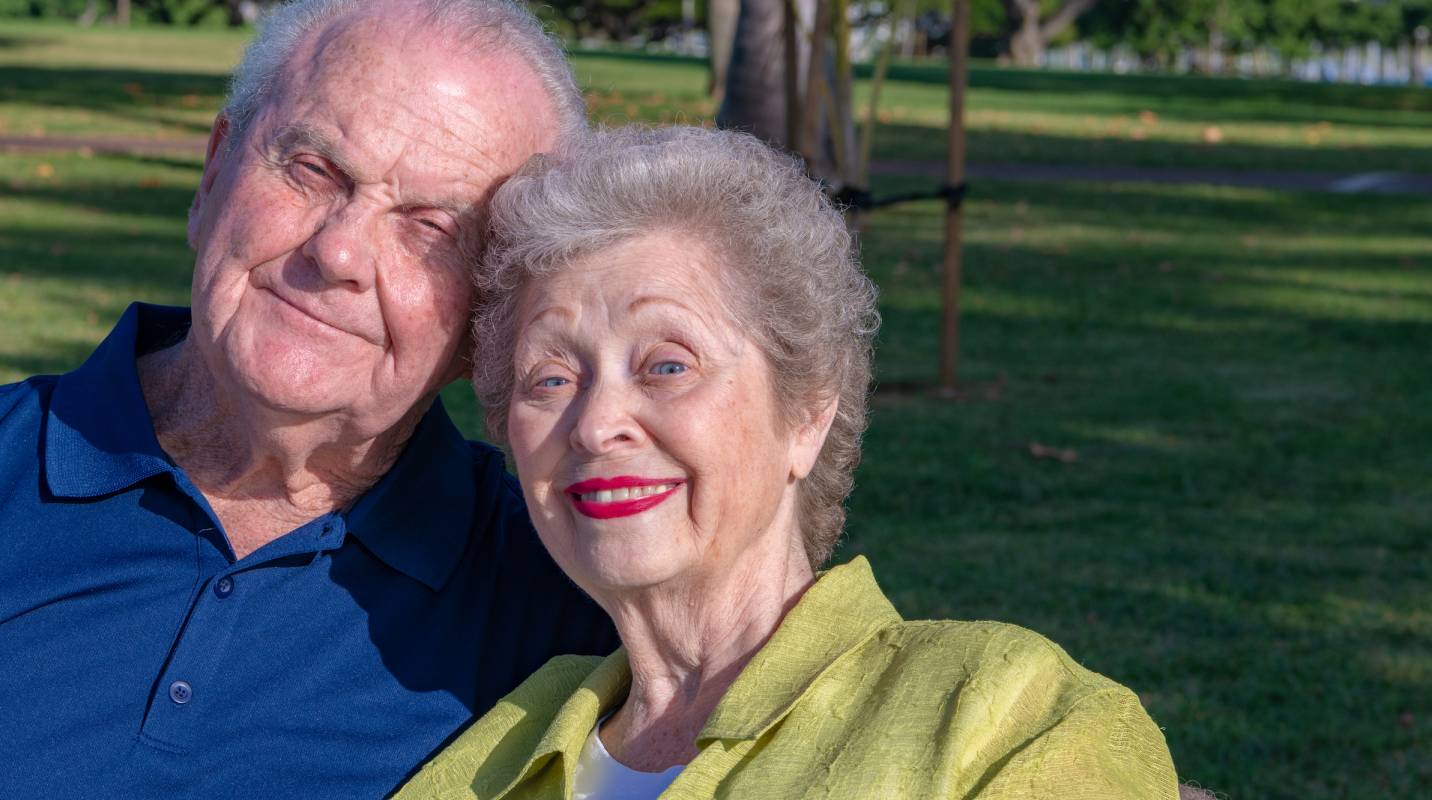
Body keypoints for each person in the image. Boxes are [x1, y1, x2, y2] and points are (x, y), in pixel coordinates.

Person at [0, 1, 617, 797]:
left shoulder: (564, 592)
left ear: (491, 309)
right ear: (215, 168)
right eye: (313, 170)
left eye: (431, 226)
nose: (338, 252)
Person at [394, 125, 1180, 799]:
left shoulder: (999, 713)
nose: (596, 424)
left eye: (668, 365)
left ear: (808, 412)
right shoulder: (494, 752)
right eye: (552, 379)